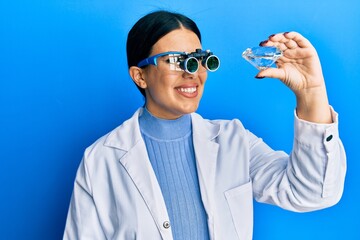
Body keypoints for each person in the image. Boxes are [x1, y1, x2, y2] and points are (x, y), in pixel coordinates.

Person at [63, 10, 346, 240]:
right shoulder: (101, 159)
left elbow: (311, 193)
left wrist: (311, 91)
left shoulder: (233, 140)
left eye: (198, 59)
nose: (193, 73)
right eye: (176, 60)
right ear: (140, 76)